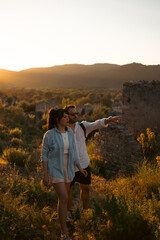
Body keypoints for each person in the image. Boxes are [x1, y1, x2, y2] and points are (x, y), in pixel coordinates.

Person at [41, 108, 88, 240]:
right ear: (58, 119)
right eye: (65, 117)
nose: (68, 119)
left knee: (64, 199)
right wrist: (45, 175)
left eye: (68, 117)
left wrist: (80, 168)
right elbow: (44, 156)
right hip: (55, 169)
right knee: (63, 197)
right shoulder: (49, 135)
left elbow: (74, 153)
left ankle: (61, 220)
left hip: (69, 169)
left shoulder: (70, 134)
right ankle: (64, 232)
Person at [65, 105, 121, 210]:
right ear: (66, 116)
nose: (75, 116)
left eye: (76, 113)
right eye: (73, 114)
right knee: (68, 191)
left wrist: (109, 119)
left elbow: (97, 124)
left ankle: (85, 211)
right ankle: (69, 213)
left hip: (83, 164)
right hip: (69, 166)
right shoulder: (62, 129)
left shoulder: (82, 126)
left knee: (85, 189)